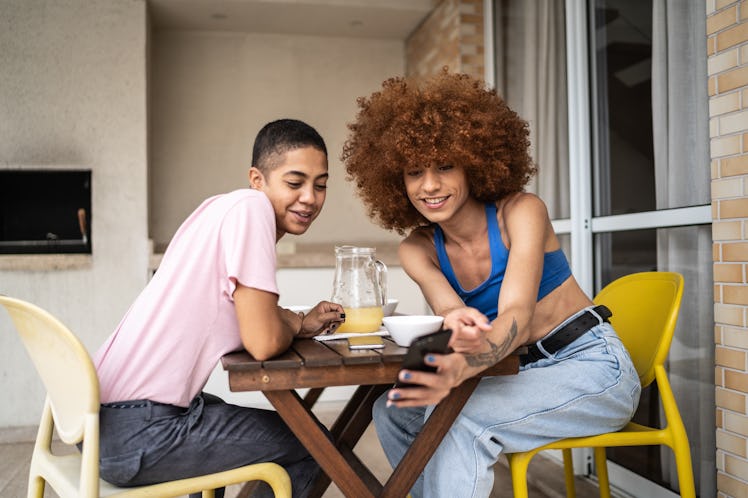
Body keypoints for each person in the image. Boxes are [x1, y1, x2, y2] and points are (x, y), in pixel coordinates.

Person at [341, 71, 641, 498]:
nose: (429, 185)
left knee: (463, 418)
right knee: (392, 412)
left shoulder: (521, 212)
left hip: (591, 368)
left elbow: (517, 312)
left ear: (474, 161)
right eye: (413, 172)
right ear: (394, 180)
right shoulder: (418, 248)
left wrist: (461, 368)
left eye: (445, 166)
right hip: (517, 371)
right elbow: (448, 309)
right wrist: (454, 323)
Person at [93, 118, 345, 498]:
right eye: (295, 183)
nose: (310, 197)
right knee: (313, 444)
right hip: (138, 434)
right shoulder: (252, 211)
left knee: (223, 413)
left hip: (99, 425)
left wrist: (297, 321)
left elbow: (245, 315)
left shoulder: (220, 209)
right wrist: (293, 325)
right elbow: (261, 343)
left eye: (321, 185)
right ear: (257, 180)